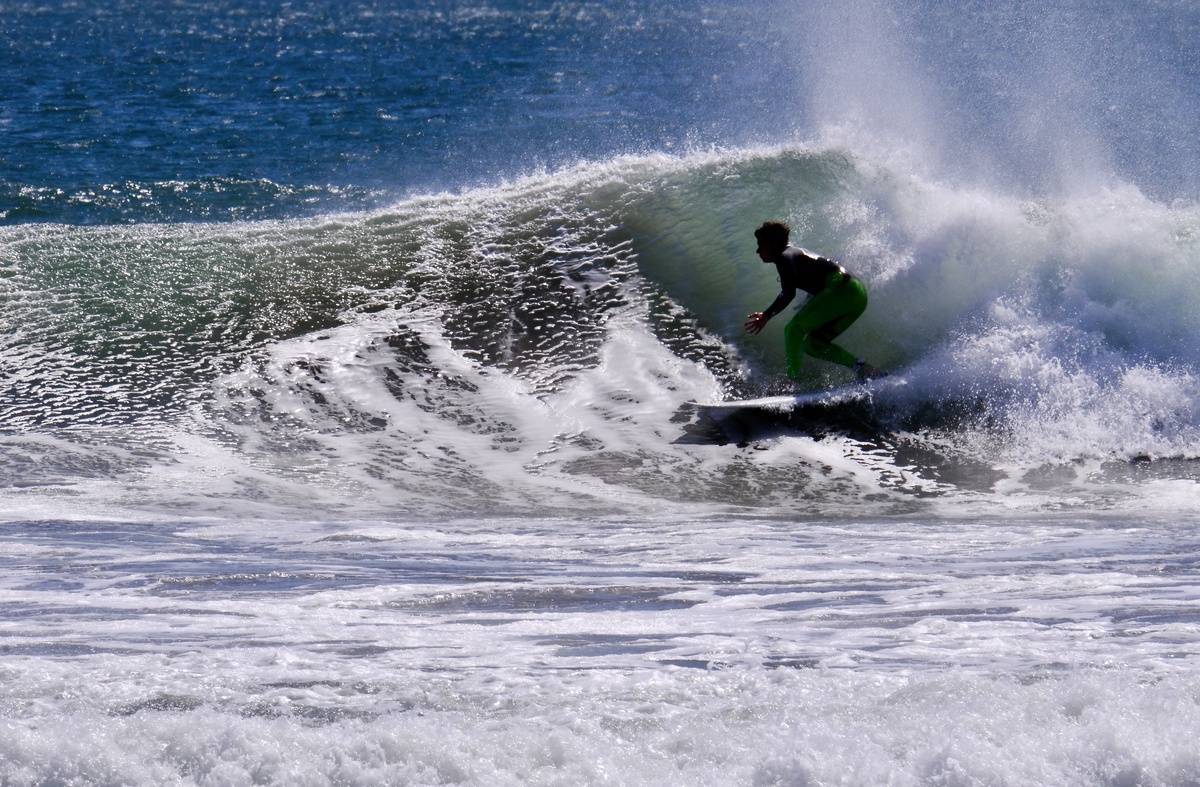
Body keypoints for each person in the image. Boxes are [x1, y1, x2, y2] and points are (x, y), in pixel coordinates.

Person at [743, 221, 882, 381]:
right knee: (813, 345)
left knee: (793, 330)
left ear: (774, 244)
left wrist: (766, 316)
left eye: (762, 245)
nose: (758, 250)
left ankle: (792, 383)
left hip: (842, 290)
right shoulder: (795, 254)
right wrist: (812, 299)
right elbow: (820, 274)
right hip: (857, 296)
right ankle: (865, 369)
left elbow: (788, 293)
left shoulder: (784, 257)